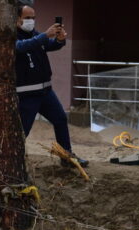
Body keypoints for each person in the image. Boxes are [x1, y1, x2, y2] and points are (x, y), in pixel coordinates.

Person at [15, 5, 88, 167]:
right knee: (22, 131)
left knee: (60, 119)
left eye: (33, 18)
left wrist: (59, 40)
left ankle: (66, 156)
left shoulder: (34, 35)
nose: (31, 21)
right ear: (16, 19)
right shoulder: (11, 37)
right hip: (26, 96)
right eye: (27, 18)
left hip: (46, 92)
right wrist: (44, 36)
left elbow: (49, 44)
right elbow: (21, 47)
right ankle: (13, 162)